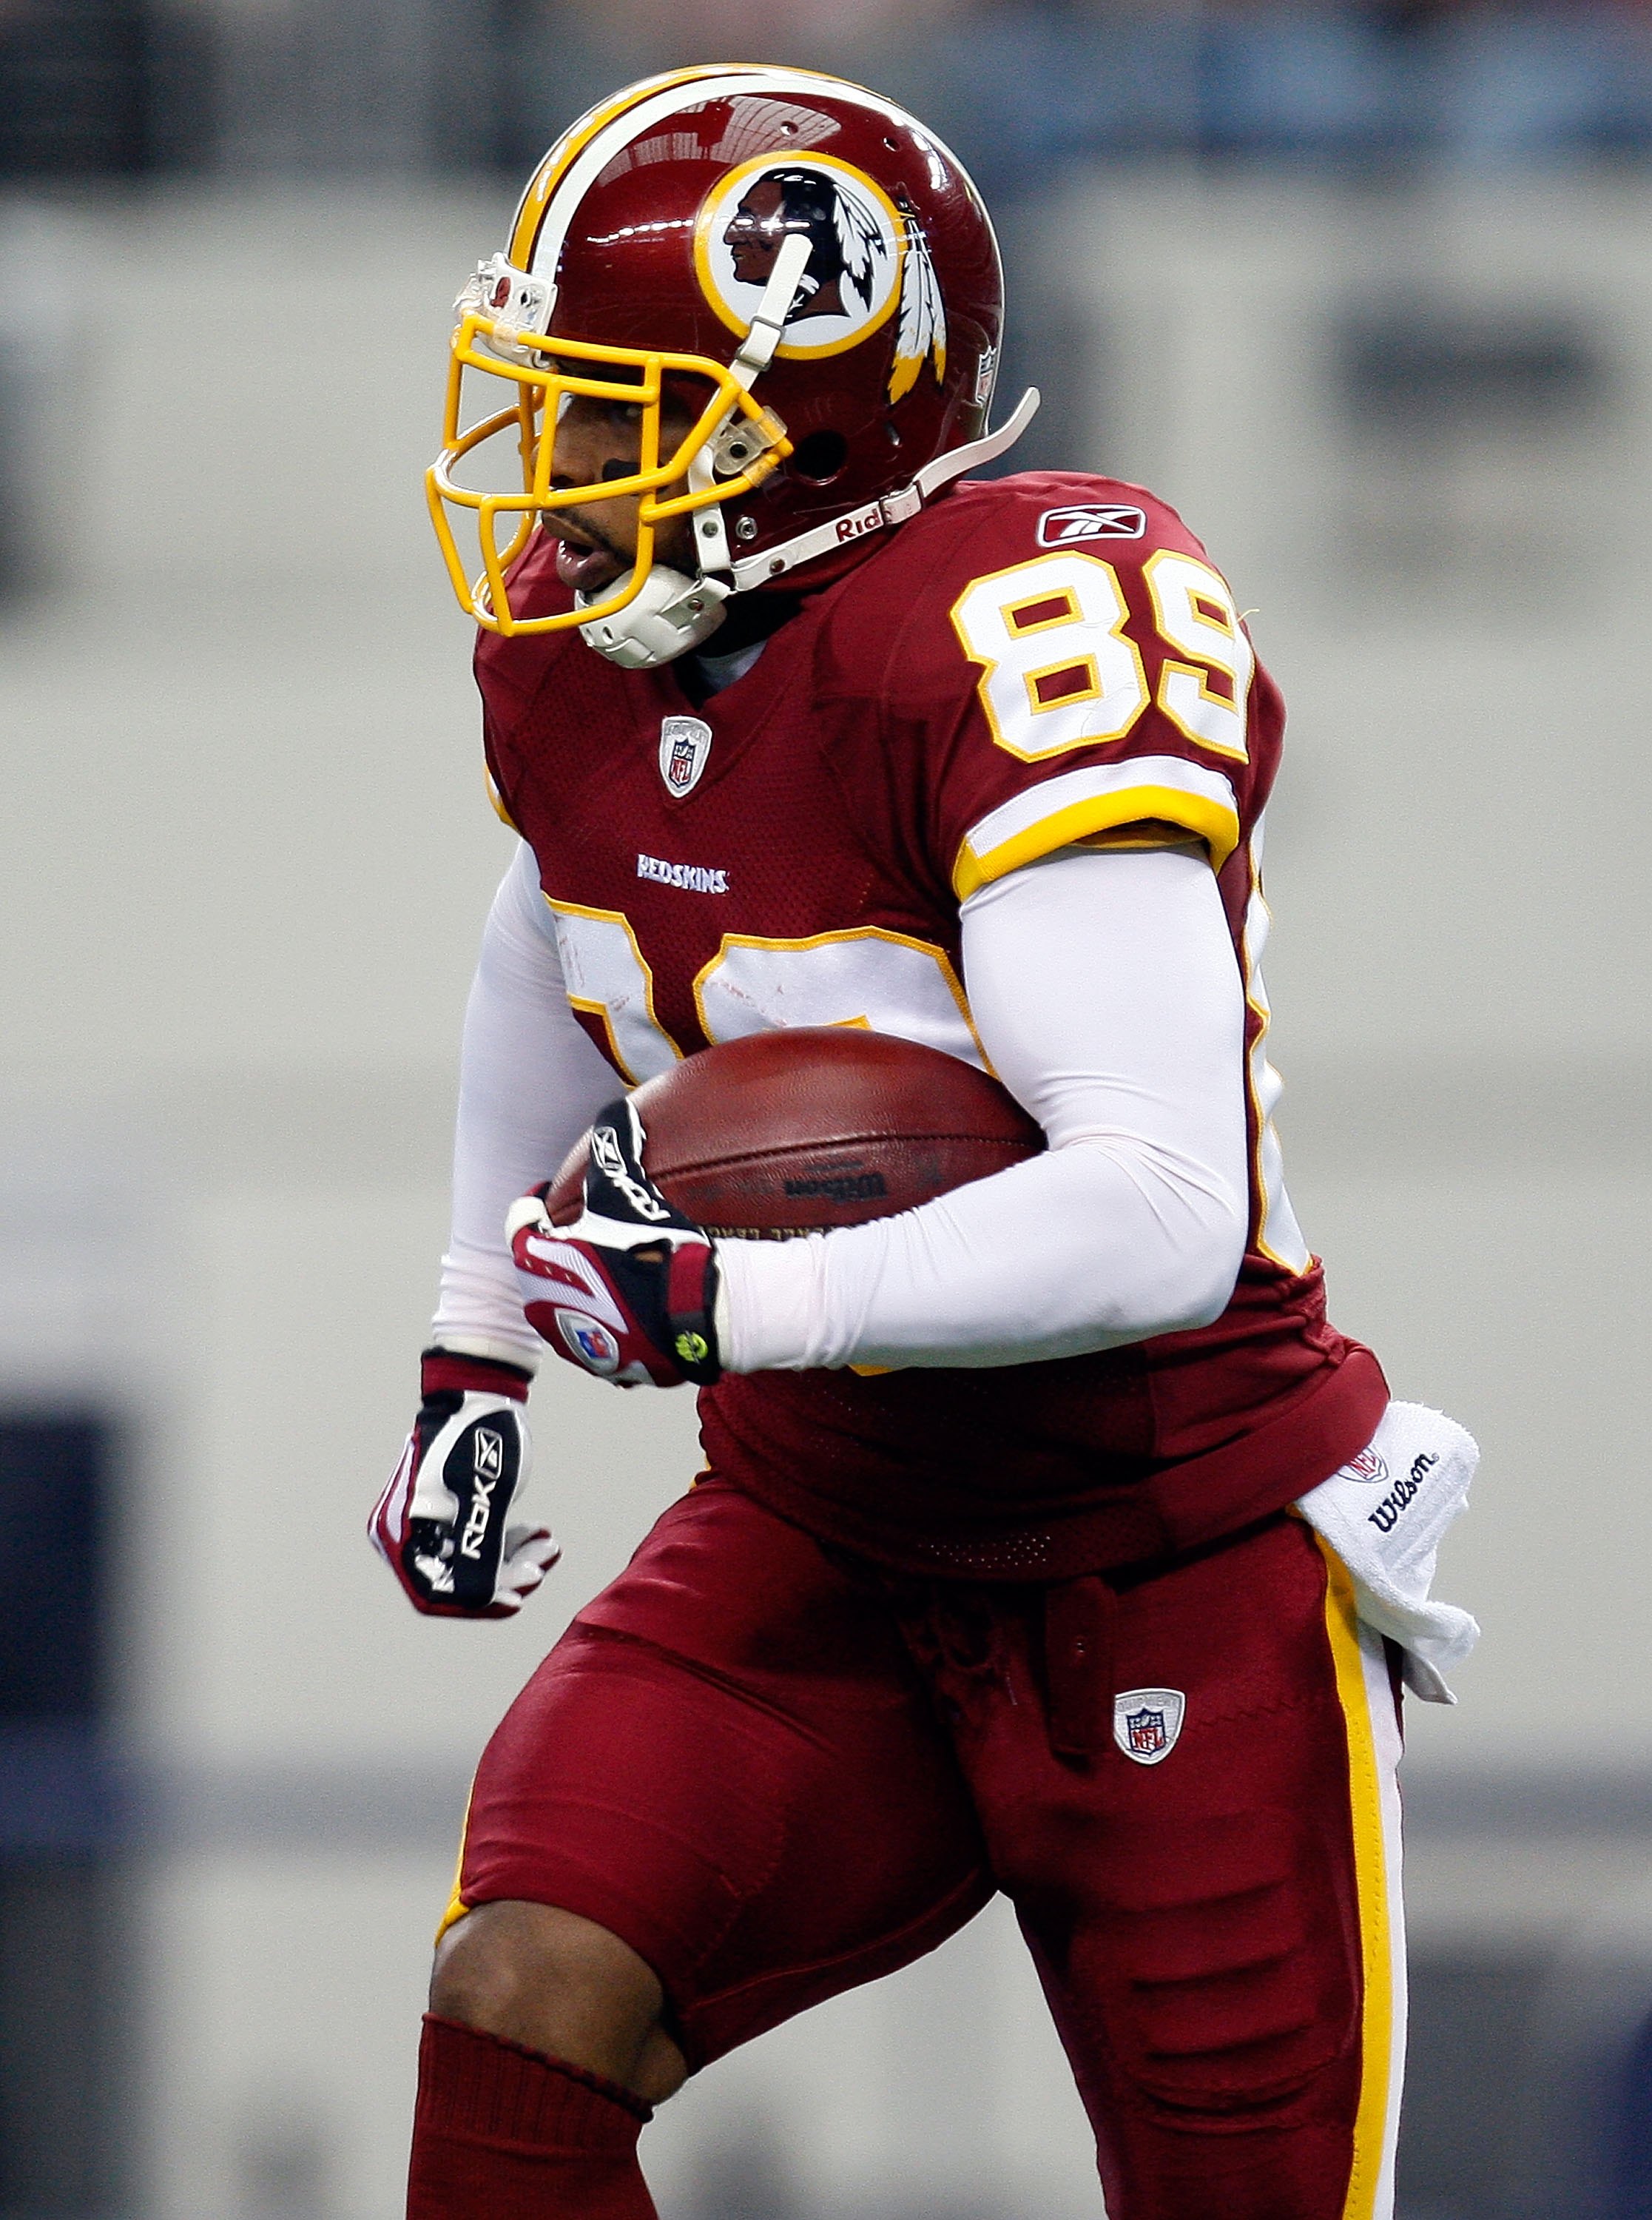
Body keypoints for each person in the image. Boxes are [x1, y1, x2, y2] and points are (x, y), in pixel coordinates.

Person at [373, 63, 1478, 2220]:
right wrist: (468, 1346)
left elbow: (1159, 1212)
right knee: (522, 1984)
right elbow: (559, 921)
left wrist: (732, 1299)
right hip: (834, 1522)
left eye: (616, 409)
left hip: (1164, 1549)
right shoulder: (589, 659)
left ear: (807, 414)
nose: (558, 471)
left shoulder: (1012, 639)